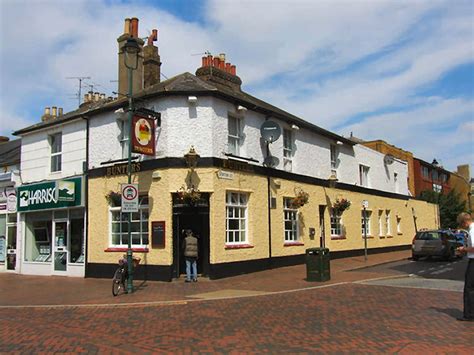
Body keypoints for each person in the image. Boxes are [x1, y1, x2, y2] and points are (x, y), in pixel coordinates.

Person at [456, 212, 474, 322]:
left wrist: (463, 249)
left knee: (469, 288)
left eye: (461, 224)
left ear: (464, 222)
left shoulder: (472, 231)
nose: (462, 227)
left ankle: (469, 314)